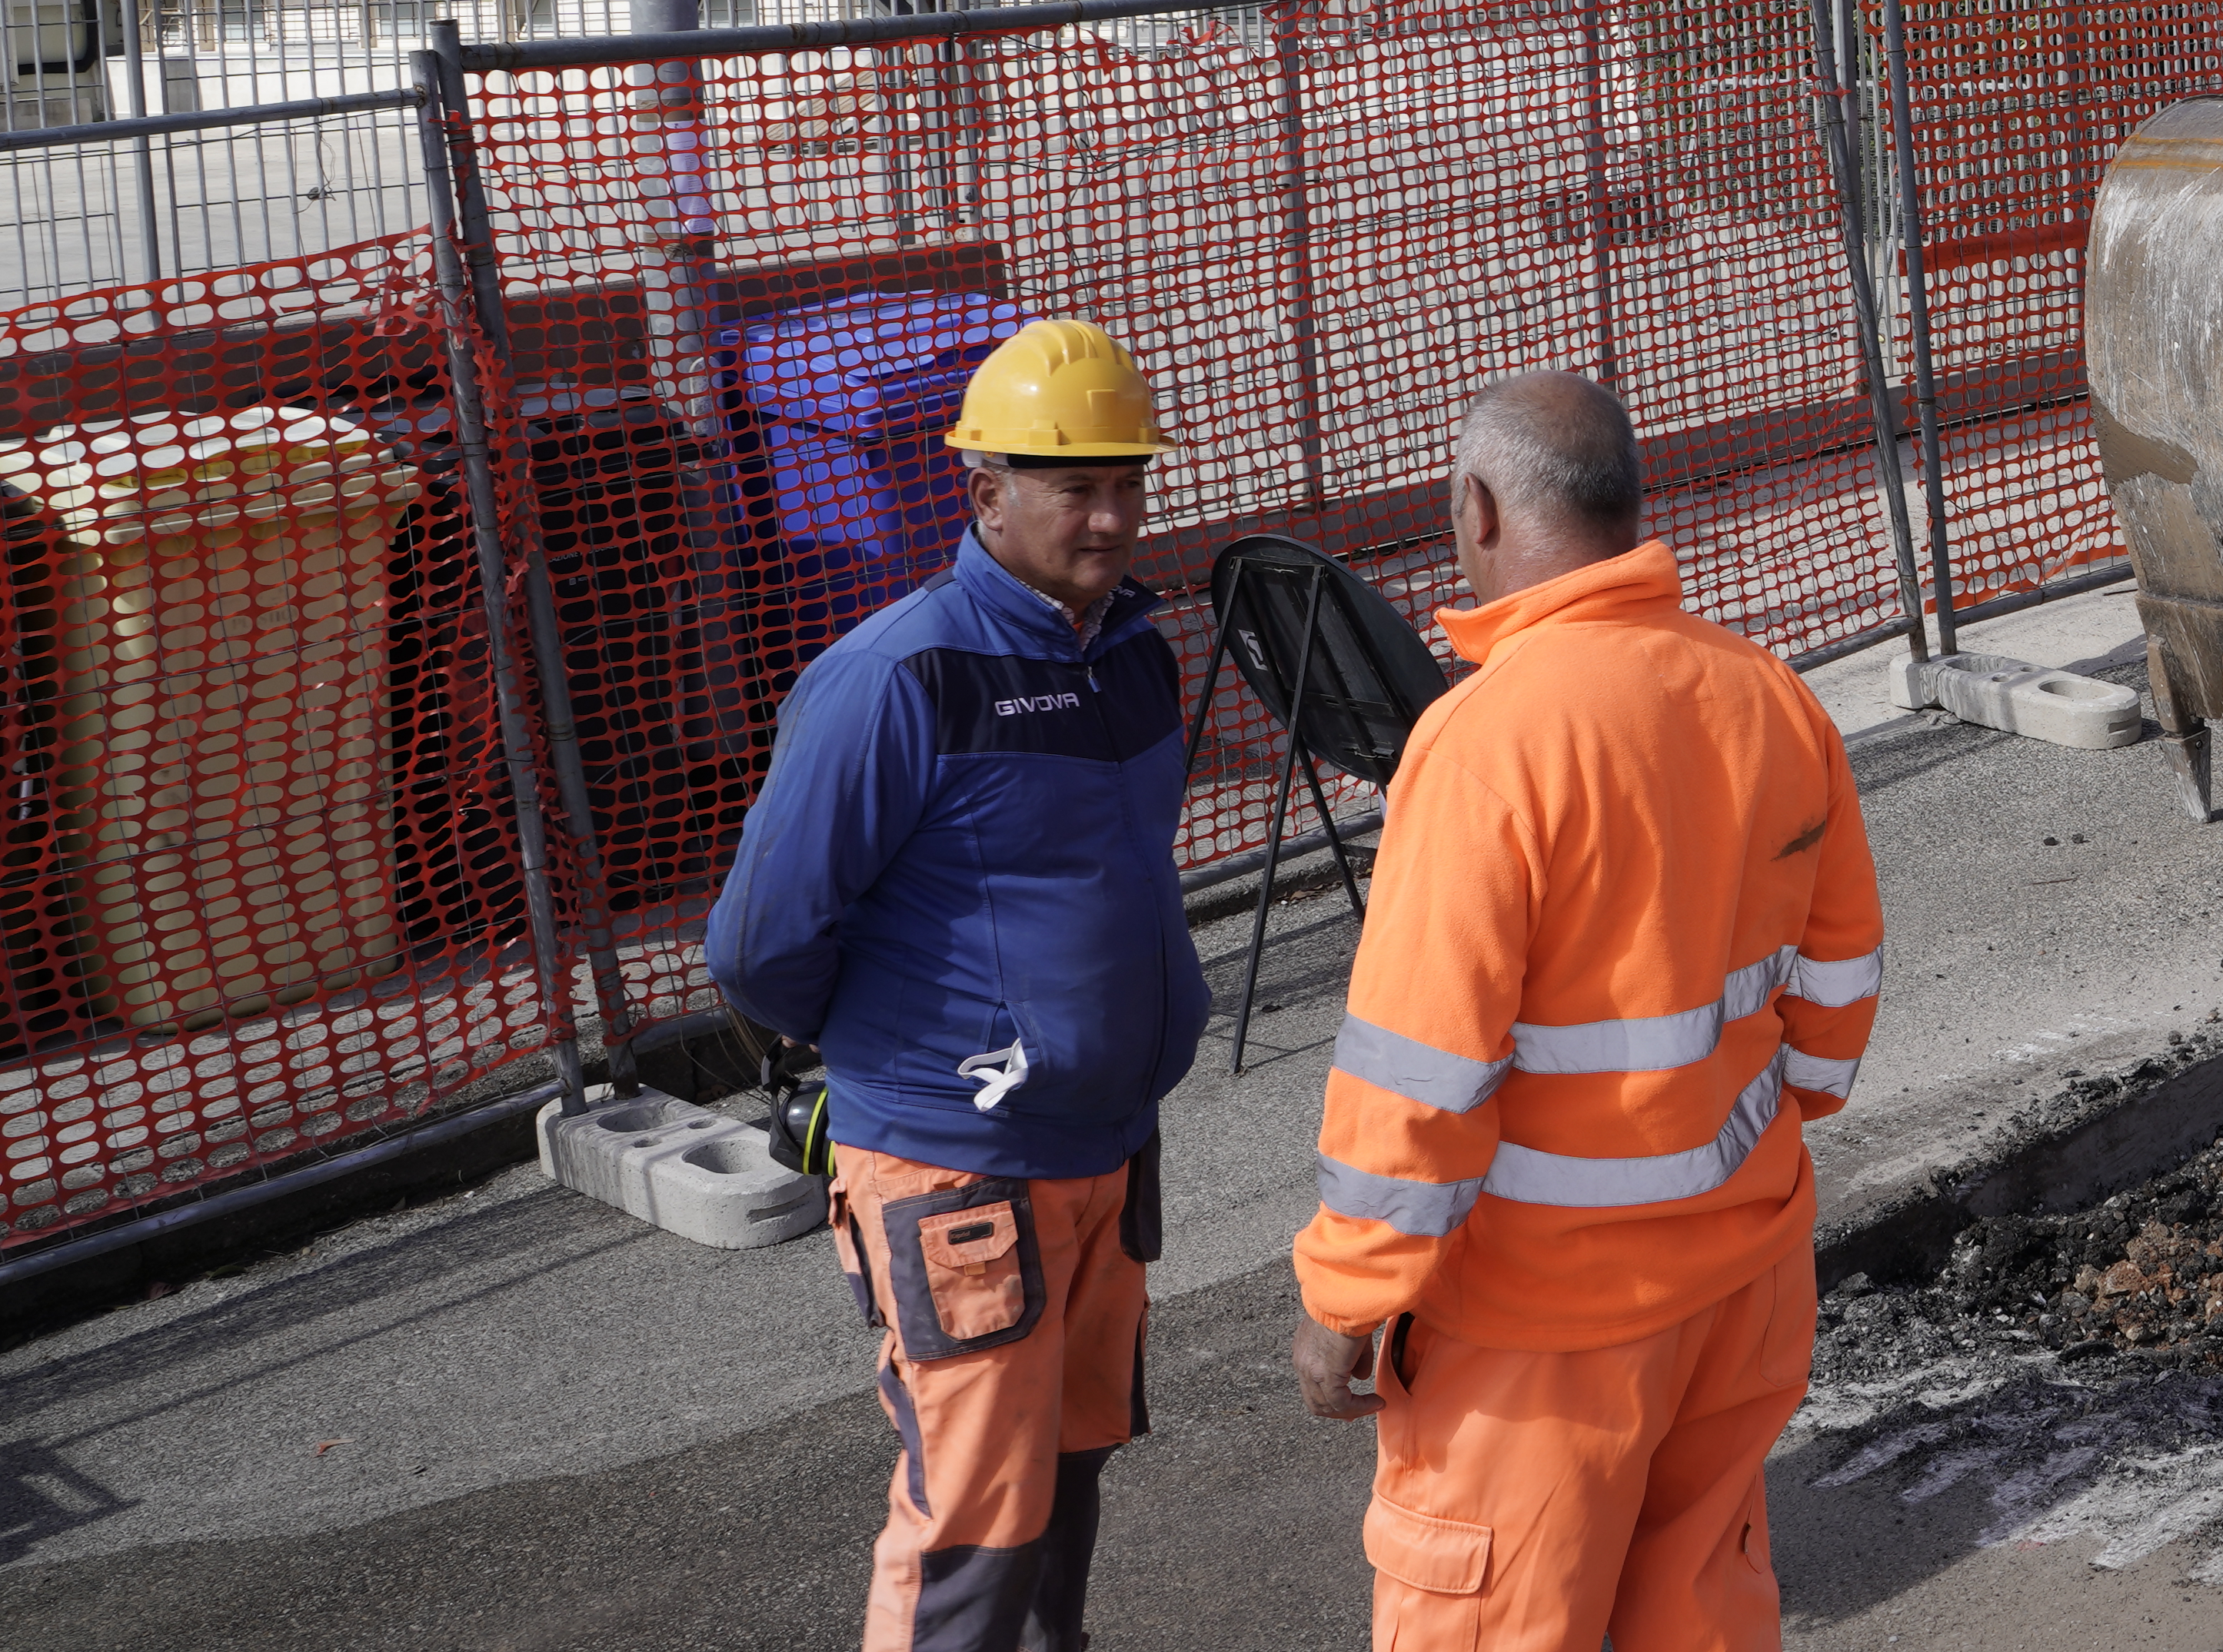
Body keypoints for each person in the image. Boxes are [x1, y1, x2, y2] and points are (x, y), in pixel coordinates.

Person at [1291, 372, 1882, 1652]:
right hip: (1741, 1285)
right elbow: (1833, 1014)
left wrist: (1348, 1296)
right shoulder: (1767, 695)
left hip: (1540, 1334)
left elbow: (1419, 1075)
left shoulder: (1483, 744)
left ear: (1479, 506)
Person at [705, 319, 1208, 1652]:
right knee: (974, 1525)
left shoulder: (1134, 654)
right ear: (983, 494)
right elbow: (760, 946)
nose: (1109, 518)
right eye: (1073, 488)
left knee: (1069, 1472)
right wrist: (912, 1059)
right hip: (960, 1169)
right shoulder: (896, 677)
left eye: (1125, 482)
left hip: (1108, 1150)